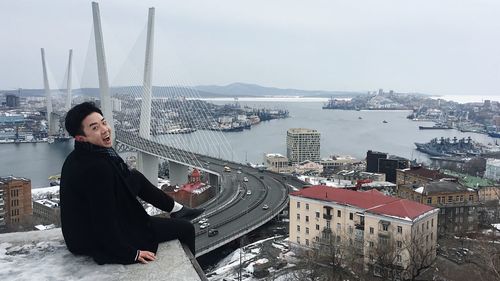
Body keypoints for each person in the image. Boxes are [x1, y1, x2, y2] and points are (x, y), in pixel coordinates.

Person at [60, 101, 204, 265]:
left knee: (133, 176)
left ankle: (178, 209)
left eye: (104, 122)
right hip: (90, 237)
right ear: (81, 138)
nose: (105, 129)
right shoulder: (96, 168)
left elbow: (116, 186)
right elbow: (102, 219)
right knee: (186, 229)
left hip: (84, 228)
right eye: (95, 128)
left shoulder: (85, 154)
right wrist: (130, 253)